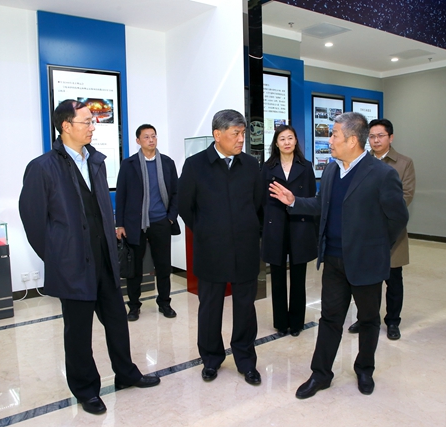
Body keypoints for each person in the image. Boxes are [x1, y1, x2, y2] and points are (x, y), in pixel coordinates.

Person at [19, 100, 159, 415]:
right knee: (78, 333)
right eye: (86, 122)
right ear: (66, 126)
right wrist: (59, 258)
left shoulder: (95, 161)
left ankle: (126, 373)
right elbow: (34, 222)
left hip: (104, 259)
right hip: (72, 266)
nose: (93, 127)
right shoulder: (42, 167)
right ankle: (86, 390)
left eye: (93, 122)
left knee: (117, 321)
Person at [269, 112, 408, 399]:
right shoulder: (332, 170)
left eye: (334, 135)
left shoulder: (382, 174)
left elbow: (398, 218)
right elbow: (322, 204)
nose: (329, 140)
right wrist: (294, 201)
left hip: (366, 262)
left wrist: (377, 248)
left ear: (353, 140)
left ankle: (364, 369)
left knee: (368, 320)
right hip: (333, 260)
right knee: (330, 319)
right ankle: (321, 374)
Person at [178, 109, 263, 386]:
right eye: (235, 133)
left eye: (243, 133)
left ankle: (246, 361)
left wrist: (247, 228)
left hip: (245, 249)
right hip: (211, 249)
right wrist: (206, 230)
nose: (241, 139)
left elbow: (258, 204)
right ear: (217, 134)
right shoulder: (195, 165)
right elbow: (185, 206)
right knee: (210, 308)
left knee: (245, 308)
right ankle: (211, 359)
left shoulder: (250, 165)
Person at [348, 119, 415, 340]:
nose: (375, 140)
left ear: (390, 137)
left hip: (391, 233)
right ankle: (365, 318)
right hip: (364, 233)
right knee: (367, 282)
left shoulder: (404, 163)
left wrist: (375, 213)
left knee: (393, 280)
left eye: (380, 136)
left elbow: (405, 197)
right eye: (372, 136)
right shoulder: (359, 162)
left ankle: (393, 321)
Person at [115, 124, 179, 321]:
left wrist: (170, 217)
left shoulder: (167, 163)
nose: (151, 140)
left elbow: (176, 192)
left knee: (163, 266)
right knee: (134, 268)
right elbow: (121, 195)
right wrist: (120, 224)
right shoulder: (129, 164)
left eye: (153, 136)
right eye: (146, 137)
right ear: (138, 141)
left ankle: (164, 303)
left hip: (161, 222)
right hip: (135, 224)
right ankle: (134, 306)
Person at [261, 125, 317, 337]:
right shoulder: (267, 167)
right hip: (275, 225)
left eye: (290, 138)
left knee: (298, 277)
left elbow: (311, 198)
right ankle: (281, 322)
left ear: (295, 141)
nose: (286, 142)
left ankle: (296, 323)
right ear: (276, 143)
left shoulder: (306, 166)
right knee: (276, 277)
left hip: (299, 224)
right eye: (282, 139)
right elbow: (261, 200)